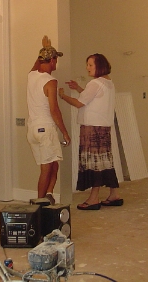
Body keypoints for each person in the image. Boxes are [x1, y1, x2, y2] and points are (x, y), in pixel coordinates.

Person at [59, 53, 123, 210]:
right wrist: (79, 88)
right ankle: (114, 195)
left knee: (94, 162)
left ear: (99, 66)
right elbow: (94, 98)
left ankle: (93, 199)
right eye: (87, 65)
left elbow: (79, 103)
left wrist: (62, 96)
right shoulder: (108, 82)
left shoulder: (95, 83)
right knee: (104, 161)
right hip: (103, 128)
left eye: (90, 65)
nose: (87, 68)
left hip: (92, 128)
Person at [27, 36, 71, 205]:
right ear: (52, 61)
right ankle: (39, 205)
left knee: (53, 163)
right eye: (55, 59)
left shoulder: (32, 76)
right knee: (46, 169)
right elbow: (54, 110)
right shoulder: (50, 81)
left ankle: (49, 195)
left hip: (33, 130)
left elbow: (37, 64)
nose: (56, 63)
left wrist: (45, 48)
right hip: (46, 129)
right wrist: (65, 132)